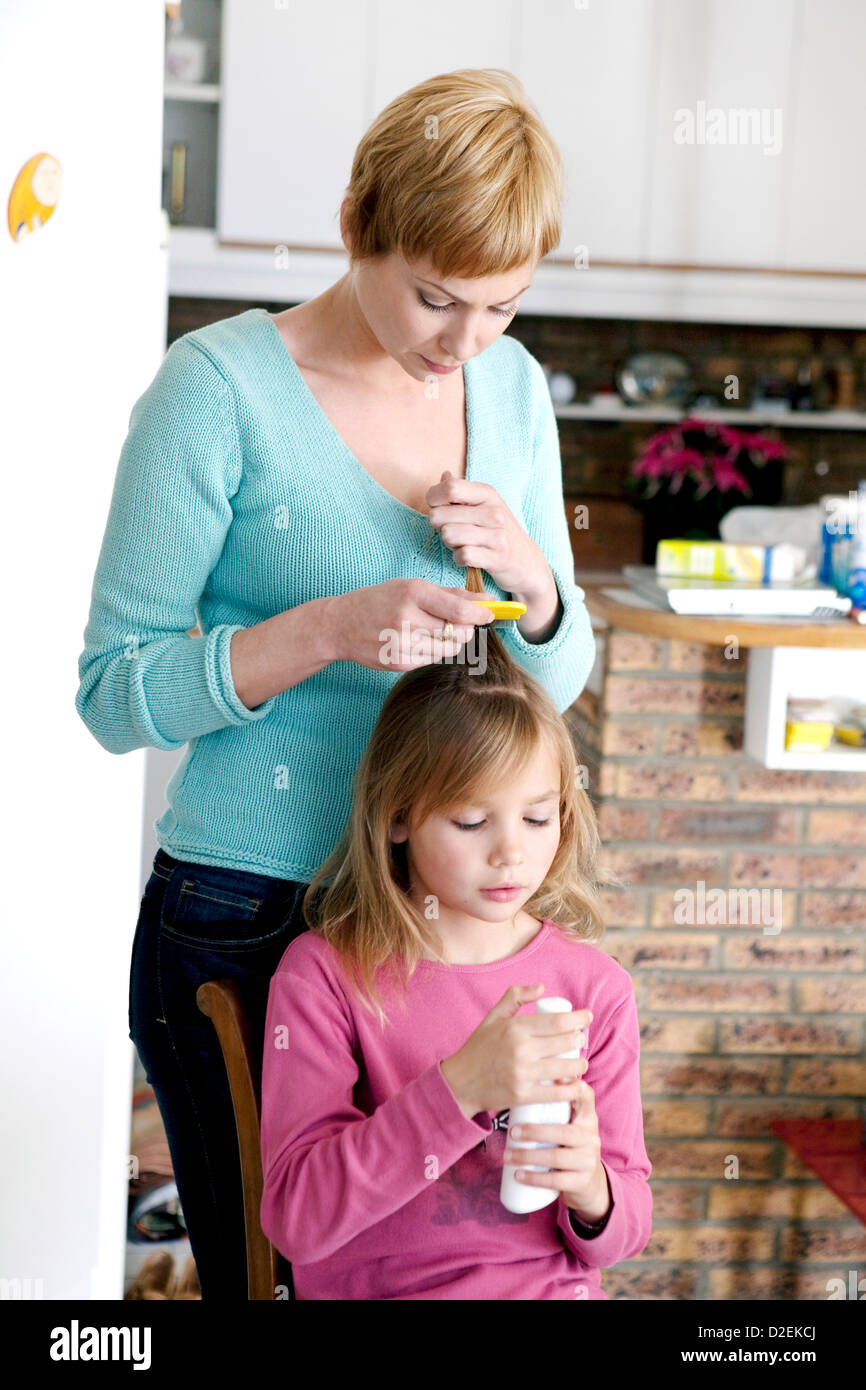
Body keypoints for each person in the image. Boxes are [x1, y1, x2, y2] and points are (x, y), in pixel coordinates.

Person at [75, 67, 597, 1300]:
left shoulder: (511, 393)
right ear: (359, 219)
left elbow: (558, 673)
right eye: (432, 297)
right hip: (254, 911)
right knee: (277, 1276)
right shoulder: (215, 392)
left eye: (501, 306)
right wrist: (321, 629)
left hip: (442, 922)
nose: (462, 342)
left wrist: (530, 572)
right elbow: (112, 691)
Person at [259, 596, 652, 1301]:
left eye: (538, 818)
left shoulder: (595, 988)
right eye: (472, 821)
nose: (512, 853)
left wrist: (591, 1185)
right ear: (399, 815)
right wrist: (461, 1088)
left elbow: (624, 1236)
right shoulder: (325, 978)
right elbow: (298, 1221)